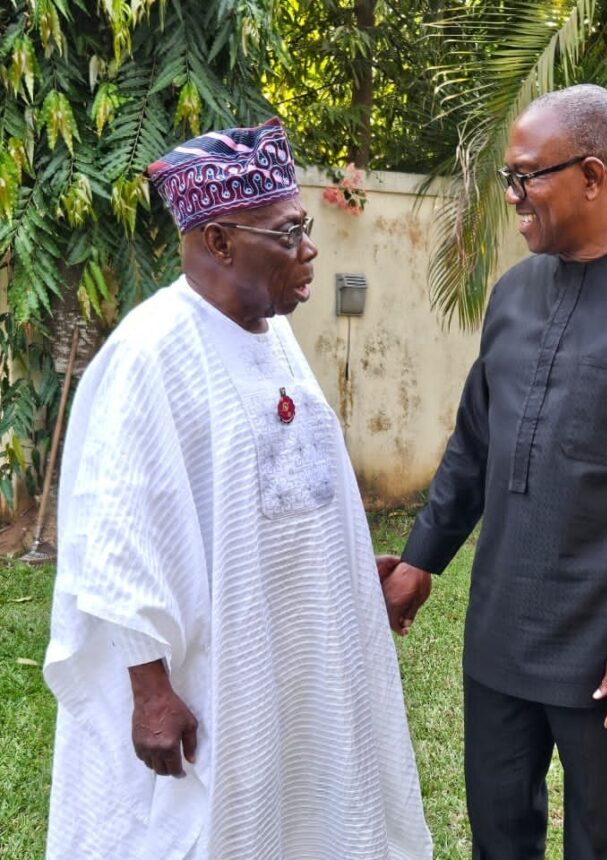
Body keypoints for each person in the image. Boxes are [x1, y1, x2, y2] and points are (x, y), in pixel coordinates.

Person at [43, 118, 432, 860]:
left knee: (307, 816)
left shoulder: (272, 334)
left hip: (295, 653)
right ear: (219, 242)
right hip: (205, 678)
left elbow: (289, 489)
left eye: (306, 228)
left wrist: (346, 571)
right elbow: (114, 536)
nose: (310, 249)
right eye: (287, 234)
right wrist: (150, 692)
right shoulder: (150, 354)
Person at [382, 85, 607, 859]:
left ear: (590, 175)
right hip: (500, 635)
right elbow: (474, 446)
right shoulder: (514, 294)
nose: (512, 197)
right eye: (508, 179)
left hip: (606, 644)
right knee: (499, 836)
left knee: (602, 843)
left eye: (525, 177)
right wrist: (419, 562)